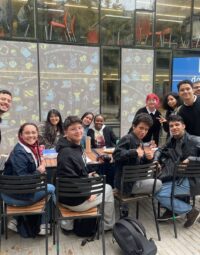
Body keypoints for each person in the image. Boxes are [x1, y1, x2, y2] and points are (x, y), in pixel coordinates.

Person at [56, 116, 115, 231]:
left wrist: (88, 175)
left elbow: (75, 172)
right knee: (108, 188)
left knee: (97, 178)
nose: (78, 131)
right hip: (74, 200)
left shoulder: (72, 147)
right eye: (73, 129)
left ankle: (67, 225)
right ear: (65, 132)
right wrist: (87, 194)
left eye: (80, 128)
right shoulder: (67, 153)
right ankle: (107, 225)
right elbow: (70, 180)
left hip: (69, 194)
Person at [1, 123, 55, 235]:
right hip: (17, 196)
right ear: (21, 134)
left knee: (45, 182)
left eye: (34, 132)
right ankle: (44, 224)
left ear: (37, 134)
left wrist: (39, 168)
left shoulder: (27, 148)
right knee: (51, 188)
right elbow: (23, 180)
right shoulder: (20, 152)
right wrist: (39, 171)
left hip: (14, 191)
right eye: (27, 133)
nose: (31, 135)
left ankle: (15, 220)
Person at [154, 115, 200, 227]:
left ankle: (190, 211)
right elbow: (160, 149)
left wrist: (191, 159)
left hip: (193, 180)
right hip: (177, 176)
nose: (174, 128)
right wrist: (156, 160)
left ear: (183, 126)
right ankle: (174, 209)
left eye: (177, 125)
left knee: (158, 192)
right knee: (157, 184)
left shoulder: (195, 140)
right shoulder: (172, 139)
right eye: (171, 126)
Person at [113, 113, 162, 197]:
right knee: (159, 183)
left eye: (146, 129)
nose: (143, 132)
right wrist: (134, 152)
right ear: (133, 126)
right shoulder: (127, 138)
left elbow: (142, 165)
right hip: (127, 184)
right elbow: (116, 155)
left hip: (133, 180)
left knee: (158, 176)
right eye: (141, 128)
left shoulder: (140, 142)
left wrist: (148, 158)